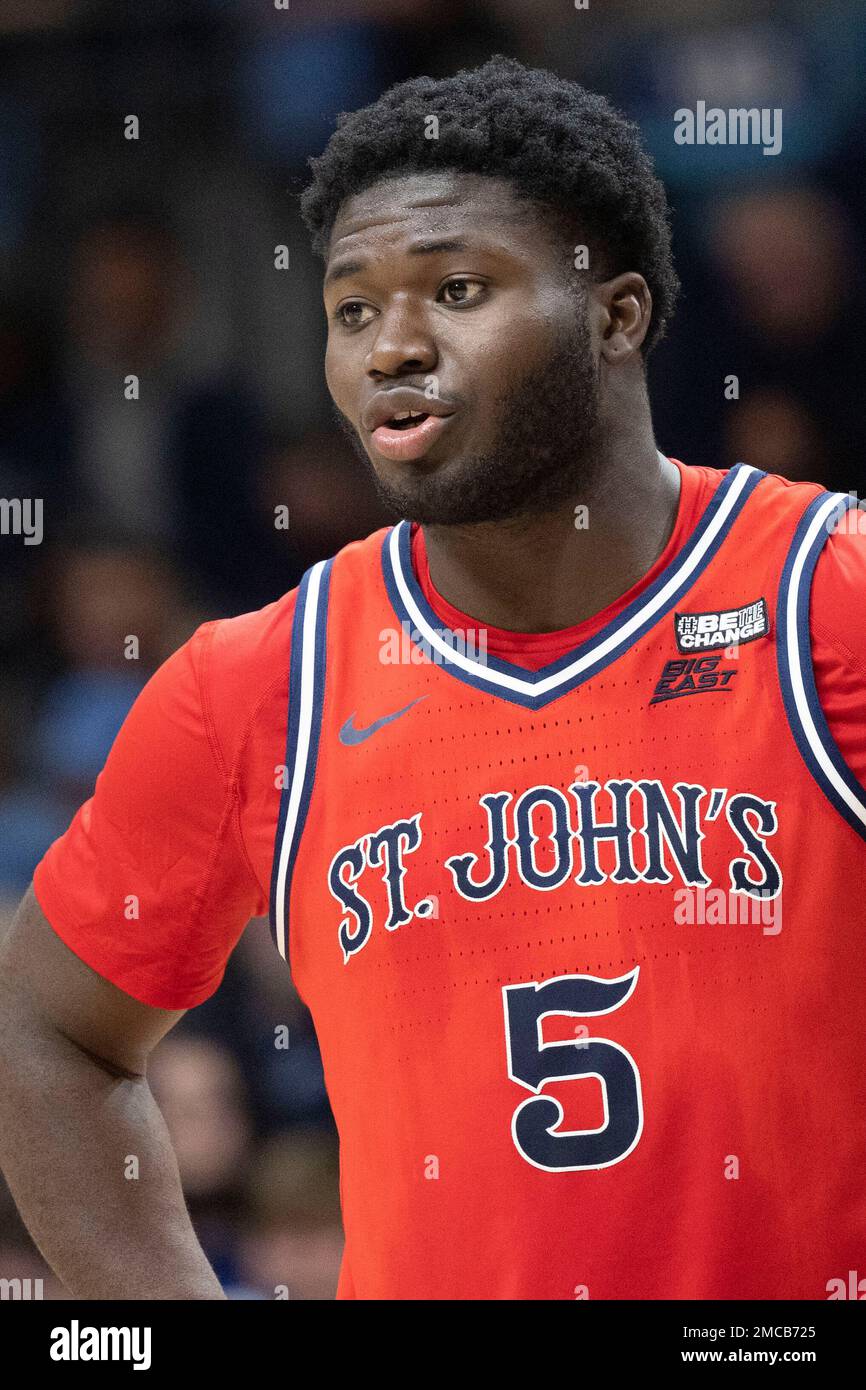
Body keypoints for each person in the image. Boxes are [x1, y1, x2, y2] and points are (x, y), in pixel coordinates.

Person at [1, 54, 865, 1300]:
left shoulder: (822, 596)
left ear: (615, 316)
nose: (392, 347)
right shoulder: (256, 683)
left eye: (456, 289)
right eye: (351, 311)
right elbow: (46, 1030)